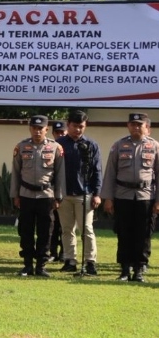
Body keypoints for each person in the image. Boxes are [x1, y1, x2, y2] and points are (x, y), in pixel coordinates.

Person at [101, 113, 159, 282]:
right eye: (133, 124)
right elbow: (110, 173)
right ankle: (125, 269)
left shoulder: (155, 146)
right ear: (128, 126)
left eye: (139, 125)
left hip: (146, 196)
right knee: (124, 232)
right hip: (123, 195)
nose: (136, 127)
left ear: (146, 127)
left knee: (144, 234)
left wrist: (158, 201)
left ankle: (139, 269)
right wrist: (108, 198)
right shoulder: (119, 145)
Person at [10, 115, 65, 277]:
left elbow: (60, 174)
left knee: (45, 232)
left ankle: (41, 266)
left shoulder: (55, 148)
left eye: (41, 128)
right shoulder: (21, 147)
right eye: (34, 128)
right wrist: (15, 195)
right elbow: (16, 173)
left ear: (46, 129)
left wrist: (58, 196)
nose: (37, 131)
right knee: (25, 231)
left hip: (46, 196)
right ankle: (27, 265)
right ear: (30, 129)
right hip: (26, 195)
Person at [55, 111, 102, 276]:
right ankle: (70, 260)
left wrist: (97, 194)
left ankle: (90, 261)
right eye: (75, 126)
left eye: (81, 126)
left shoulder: (91, 145)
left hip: (85, 194)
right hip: (64, 194)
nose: (78, 130)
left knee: (87, 229)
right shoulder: (58, 144)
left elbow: (97, 171)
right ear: (68, 125)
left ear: (85, 126)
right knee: (67, 229)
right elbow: (53, 171)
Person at [49, 120, 67, 262]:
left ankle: (64, 252)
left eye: (62, 132)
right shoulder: (50, 148)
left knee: (65, 225)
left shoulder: (70, 148)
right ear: (53, 133)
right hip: (51, 192)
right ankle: (52, 252)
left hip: (67, 192)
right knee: (52, 224)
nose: (60, 135)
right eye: (57, 132)